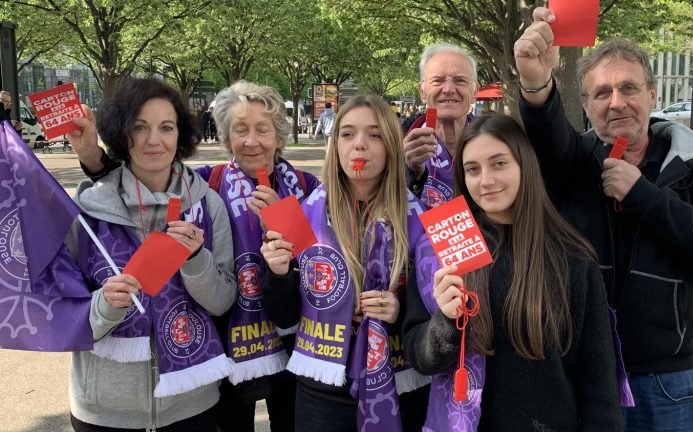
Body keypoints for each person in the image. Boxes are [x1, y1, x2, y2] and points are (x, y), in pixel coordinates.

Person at [514, 8, 693, 431]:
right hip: (587, 372)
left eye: (628, 88)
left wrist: (643, 194)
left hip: (666, 381)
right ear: (585, 105)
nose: (616, 102)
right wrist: (535, 83)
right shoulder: (577, 162)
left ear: (653, 95)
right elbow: (548, 139)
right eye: (601, 93)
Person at [73, 80, 320, 432]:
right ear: (226, 138)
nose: (251, 141)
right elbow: (146, 177)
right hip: (228, 346)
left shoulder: (307, 187)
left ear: (279, 136)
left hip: (294, 342)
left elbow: (318, 263)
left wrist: (283, 219)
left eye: (262, 130)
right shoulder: (208, 183)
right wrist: (93, 160)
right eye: (240, 130)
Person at [403, 113, 623, 431]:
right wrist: (446, 322)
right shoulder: (442, 248)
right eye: (472, 169)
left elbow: (598, 384)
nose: (486, 180)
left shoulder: (571, 258)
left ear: (524, 164)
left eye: (499, 163)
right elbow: (419, 357)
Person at [66, 77, 237, 431]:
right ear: (121, 134)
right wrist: (104, 305)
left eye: (166, 127)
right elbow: (62, 310)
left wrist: (194, 260)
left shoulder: (208, 204)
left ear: (181, 135)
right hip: (104, 410)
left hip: (193, 405)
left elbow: (223, 302)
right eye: (139, 127)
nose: (154, 140)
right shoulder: (85, 211)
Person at [261, 94, 432, 431]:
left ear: (391, 146)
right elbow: (283, 316)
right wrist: (277, 275)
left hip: (398, 384)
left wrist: (400, 311)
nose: (360, 146)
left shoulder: (419, 217)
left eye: (375, 135)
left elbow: (433, 310)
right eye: (348, 134)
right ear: (335, 144)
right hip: (321, 390)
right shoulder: (302, 215)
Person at [404, 43, 477, 209]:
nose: (449, 89)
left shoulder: (493, 142)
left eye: (460, 80)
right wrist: (409, 171)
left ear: (474, 92)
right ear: (422, 92)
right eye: (438, 80)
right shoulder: (396, 142)